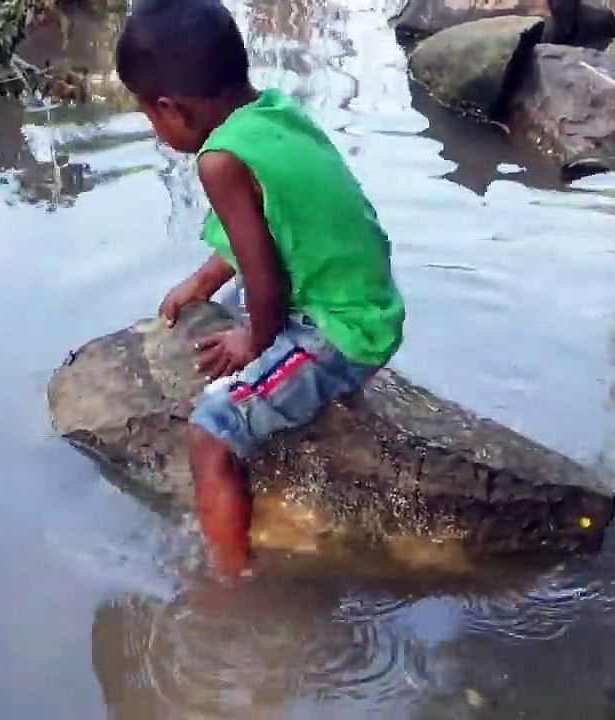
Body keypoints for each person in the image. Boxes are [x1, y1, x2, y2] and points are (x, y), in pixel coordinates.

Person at [115, 0, 405, 578]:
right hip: (367, 301)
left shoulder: (221, 159)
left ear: (172, 108)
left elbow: (264, 276)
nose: (155, 129)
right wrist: (202, 282)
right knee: (224, 315)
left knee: (210, 430)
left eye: (150, 115)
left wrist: (255, 339)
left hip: (341, 331)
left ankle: (231, 579)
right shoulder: (273, 113)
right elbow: (259, 231)